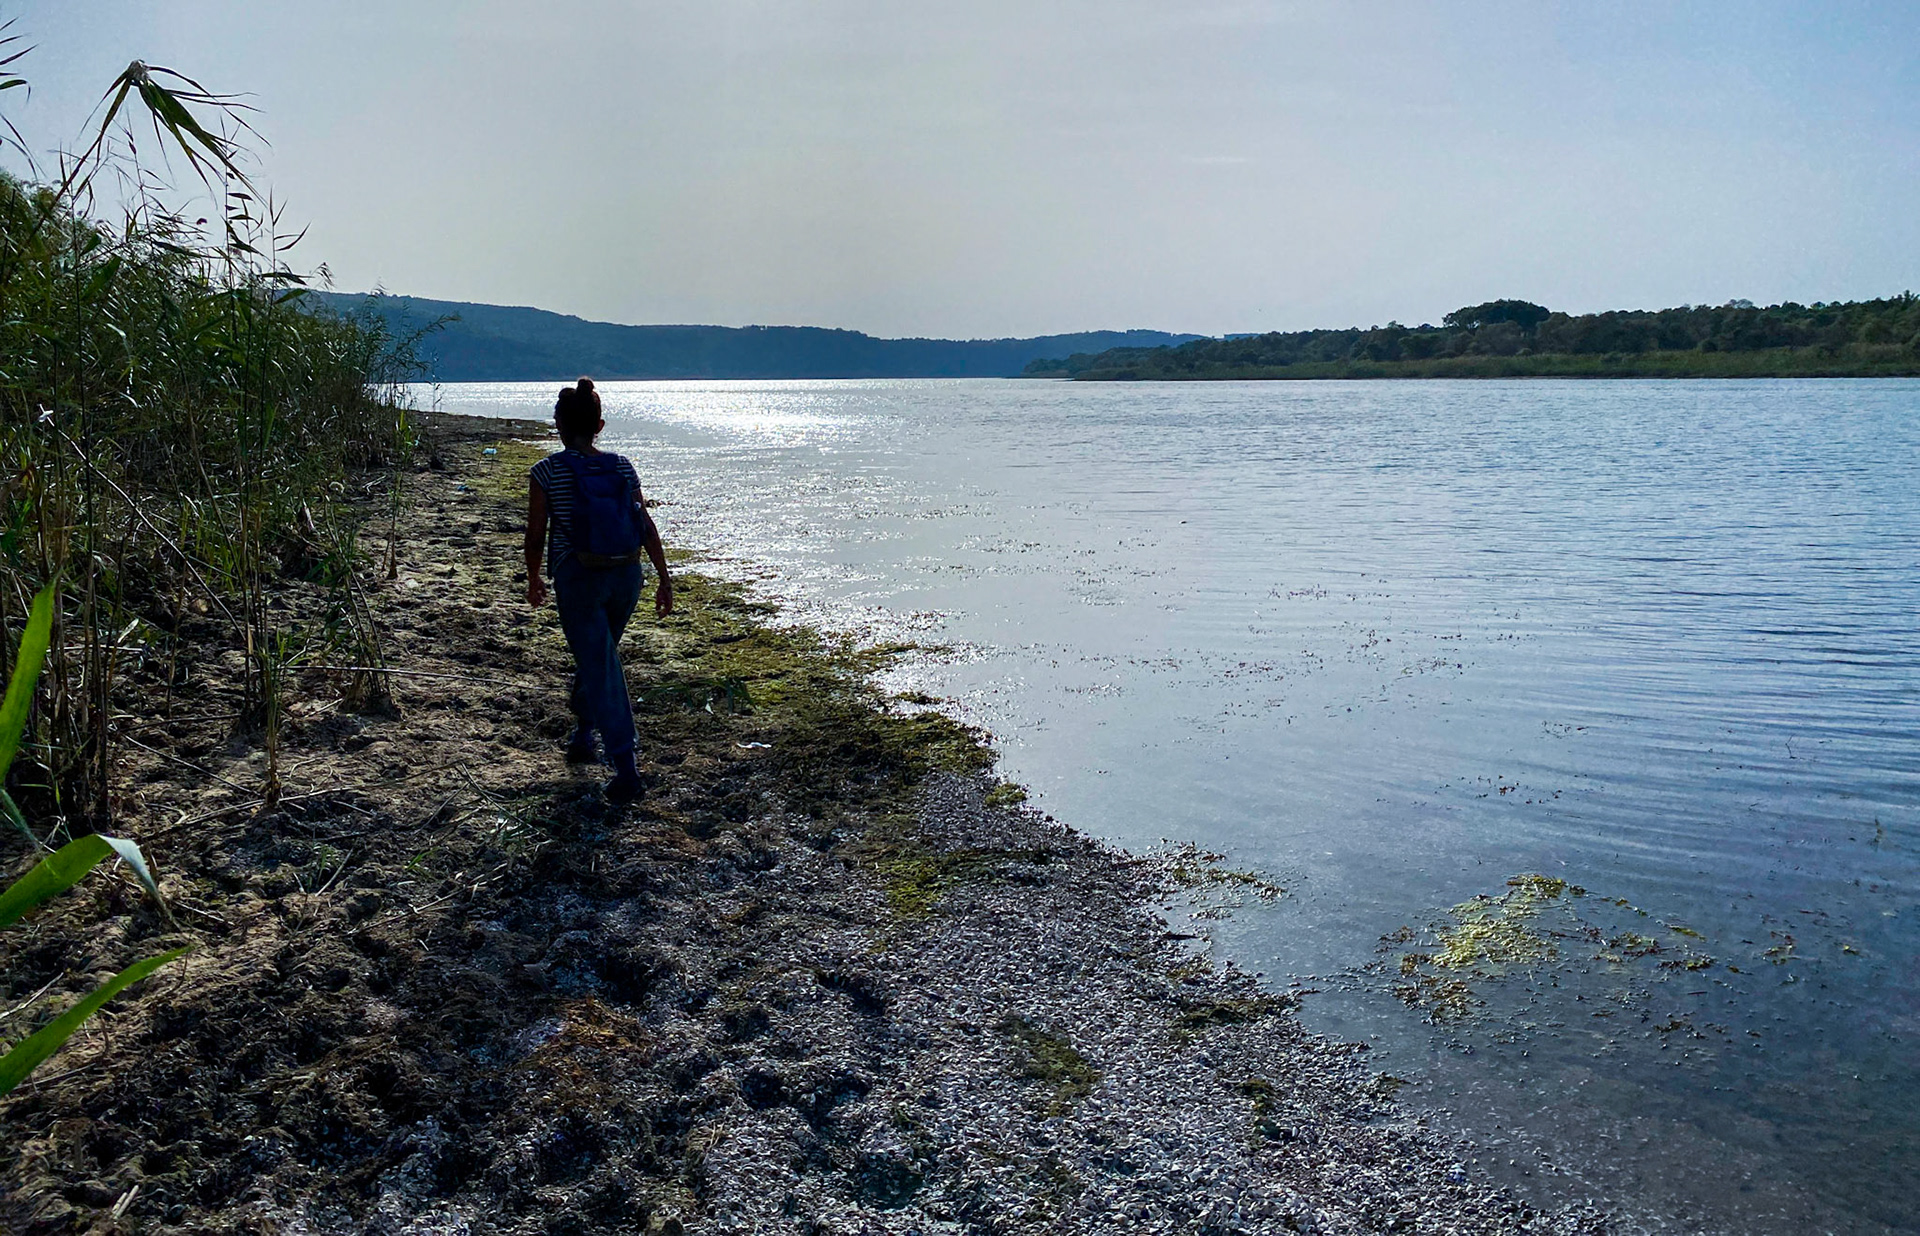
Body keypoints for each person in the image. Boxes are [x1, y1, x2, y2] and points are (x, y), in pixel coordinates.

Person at [524, 377, 673, 802]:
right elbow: (645, 525)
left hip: (579, 579)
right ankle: (583, 733)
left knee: (602, 666)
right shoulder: (623, 466)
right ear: (599, 426)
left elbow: (536, 537)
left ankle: (626, 768)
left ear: (558, 425)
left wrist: (534, 577)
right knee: (599, 656)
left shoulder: (546, 471)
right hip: (627, 576)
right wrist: (663, 577)